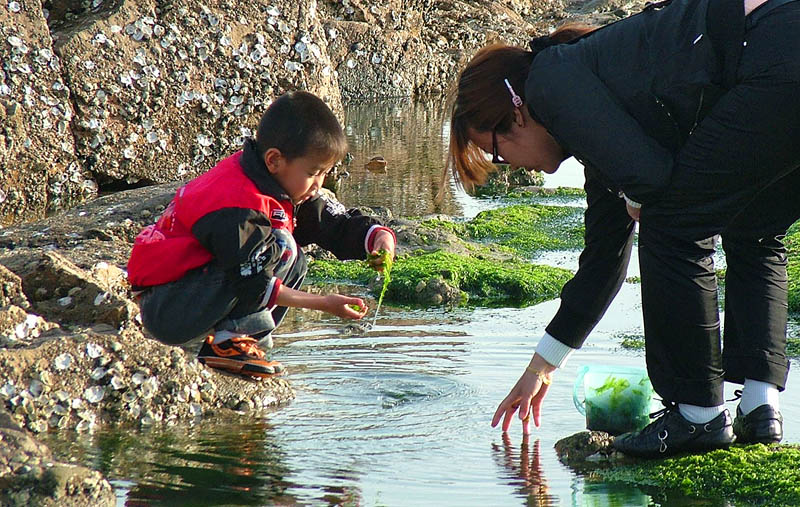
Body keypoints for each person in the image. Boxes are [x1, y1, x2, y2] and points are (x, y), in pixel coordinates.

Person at [446, 0, 799, 457]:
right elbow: (602, 263)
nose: (506, 166)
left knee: (671, 224)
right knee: (754, 228)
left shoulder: (550, 82)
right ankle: (759, 407)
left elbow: (651, 182)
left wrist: (639, 201)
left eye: (494, 152)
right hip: (782, 55)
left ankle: (698, 416)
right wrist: (542, 367)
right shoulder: (595, 121)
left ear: (515, 111)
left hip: (773, 60)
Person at [127, 91, 396, 378]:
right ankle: (229, 344)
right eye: (314, 172)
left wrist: (378, 237)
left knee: (295, 257)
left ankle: (240, 343)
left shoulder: (275, 183)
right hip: (168, 307)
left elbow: (333, 222)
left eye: (326, 173)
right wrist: (324, 303)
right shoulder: (237, 204)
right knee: (283, 246)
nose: (319, 184)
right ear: (274, 160)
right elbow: (253, 281)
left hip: (194, 294)